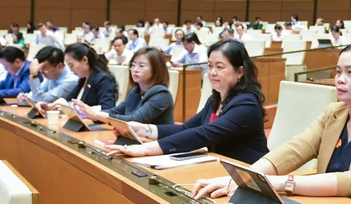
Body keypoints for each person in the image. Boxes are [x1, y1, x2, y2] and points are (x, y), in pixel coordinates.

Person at [191, 42, 351, 204]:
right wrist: (245, 178)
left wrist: (281, 183)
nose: (340, 79)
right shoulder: (334, 113)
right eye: (338, 72)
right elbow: (296, 149)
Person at [107, 40, 269, 163]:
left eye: (220, 67)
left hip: (246, 171)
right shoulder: (216, 99)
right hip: (219, 167)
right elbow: (186, 128)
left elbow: (203, 134)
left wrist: (146, 149)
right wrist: (144, 130)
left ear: (239, 71)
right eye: (210, 66)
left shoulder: (247, 103)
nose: (212, 72)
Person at [74, 47, 174, 126]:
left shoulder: (161, 94)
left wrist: (98, 115)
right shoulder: (135, 91)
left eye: (141, 66)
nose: (135, 69)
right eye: (133, 65)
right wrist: (89, 111)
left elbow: (136, 120)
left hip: (155, 145)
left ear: (156, 69)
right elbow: (115, 111)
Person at [37, 43, 118, 113]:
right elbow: (68, 100)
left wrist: (75, 109)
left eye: (72, 65)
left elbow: (108, 108)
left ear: (84, 60)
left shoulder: (103, 79)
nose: (71, 70)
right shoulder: (83, 79)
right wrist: (48, 106)